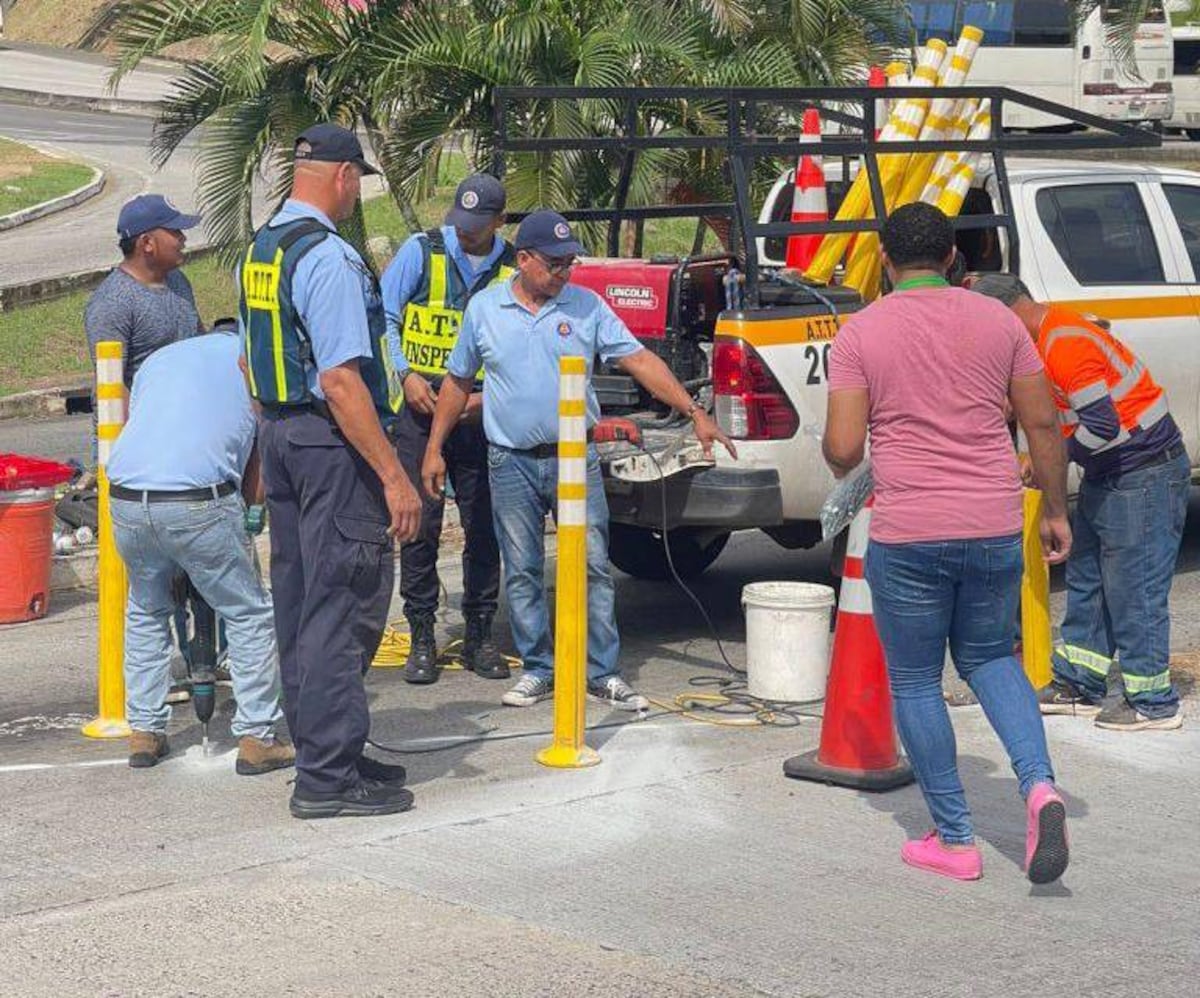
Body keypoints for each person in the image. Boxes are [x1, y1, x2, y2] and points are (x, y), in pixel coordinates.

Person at [823, 202, 1073, 885]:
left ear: (883, 257)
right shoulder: (999, 321)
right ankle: (1038, 786)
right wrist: (1055, 510)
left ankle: (956, 839)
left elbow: (844, 449)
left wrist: (846, 447)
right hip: (992, 522)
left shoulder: (862, 332)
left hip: (910, 533)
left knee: (914, 679)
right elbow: (1043, 423)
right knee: (992, 657)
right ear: (955, 257)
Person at [420, 210, 736, 711]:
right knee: (522, 569)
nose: (565, 272)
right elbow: (459, 382)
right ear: (523, 260)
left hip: (575, 458)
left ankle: (602, 671)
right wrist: (435, 448)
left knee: (591, 565)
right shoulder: (485, 309)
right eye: (554, 263)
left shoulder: (586, 307)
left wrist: (694, 411)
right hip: (511, 463)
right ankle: (540, 668)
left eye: (570, 262)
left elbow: (640, 360)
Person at [239, 123, 422, 820]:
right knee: (342, 602)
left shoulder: (262, 250)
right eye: (357, 182)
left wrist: (268, 451)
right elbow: (343, 382)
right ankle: (325, 776)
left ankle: (330, 747)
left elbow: (251, 365)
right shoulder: (328, 259)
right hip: (330, 448)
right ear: (344, 175)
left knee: (301, 599)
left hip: (285, 438)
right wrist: (394, 477)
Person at [972, 273, 1187, 732]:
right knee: (1089, 579)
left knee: (1135, 587)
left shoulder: (1064, 344)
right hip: (1113, 473)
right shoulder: (1043, 342)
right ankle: (1078, 683)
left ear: (1006, 314)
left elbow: (1103, 426)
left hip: (1143, 471)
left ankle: (1153, 702)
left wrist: (1049, 456)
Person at [107, 324, 293, 776]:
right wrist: (251, 516)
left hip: (127, 497)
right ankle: (257, 737)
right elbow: (259, 455)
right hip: (197, 500)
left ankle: (145, 731)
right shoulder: (252, 361)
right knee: (248, 612)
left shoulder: (161, 359)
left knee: (147, 611)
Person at [381, 175, 514, 685]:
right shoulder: (422, 251)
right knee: (420, 526)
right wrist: (405, 372)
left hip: (481, 413)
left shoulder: (511, 267)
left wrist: (486, 398)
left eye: (478, 227)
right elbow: (387, 316)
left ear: (499, 222)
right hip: (420, 405)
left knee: (483, 526)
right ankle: (421, 636)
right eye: (461, 222)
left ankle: (480, 635)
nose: (465, 233)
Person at [84, 194, 205, 389]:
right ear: (147, 242)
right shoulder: (112, 304)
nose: (183, 238)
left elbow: (199, 342)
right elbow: (110, 388)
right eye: (175, 231)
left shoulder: (178, 280)